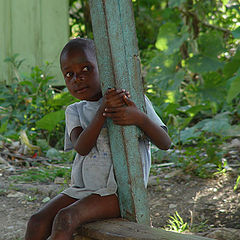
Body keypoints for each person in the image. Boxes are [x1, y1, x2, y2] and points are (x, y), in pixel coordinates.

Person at [25, 38, 171, 240]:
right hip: (83, 189)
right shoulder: (74, 111)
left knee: (66, 218)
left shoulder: (133, 101)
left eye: (86, 69)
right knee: (37, 221)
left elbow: (165, 142)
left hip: (118, 194)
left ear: (103, 67)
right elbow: (82, 147)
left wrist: (140, 118)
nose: (77, 78)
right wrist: (103, 111)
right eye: (70, 74)